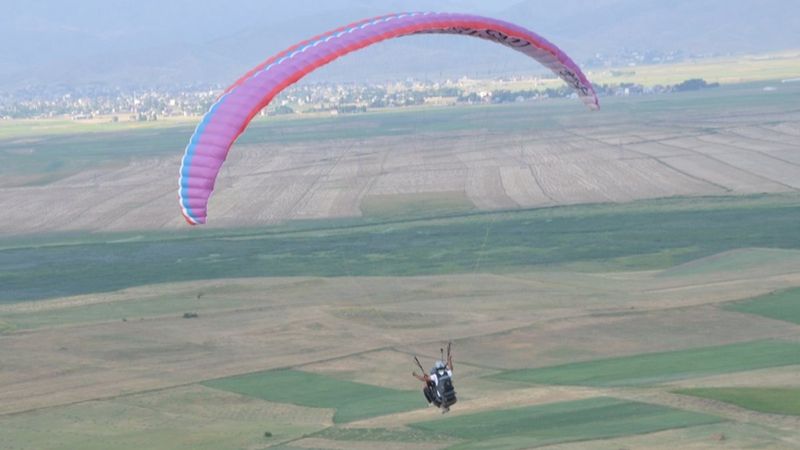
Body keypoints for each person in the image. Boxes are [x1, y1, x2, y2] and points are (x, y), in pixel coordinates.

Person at [412, 346, 456, 413]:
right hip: (453, 398)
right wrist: (449, 359)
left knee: (426, 388)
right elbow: (451, 368)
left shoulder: (435, 376)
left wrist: (415, 375)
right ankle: (445, 407)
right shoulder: (447, 372)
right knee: (435, 386)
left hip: (441, 399)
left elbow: (424, 379)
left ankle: (433, 403)